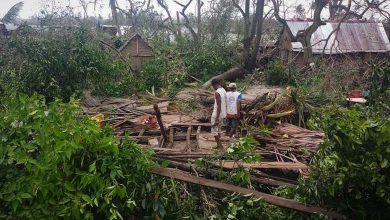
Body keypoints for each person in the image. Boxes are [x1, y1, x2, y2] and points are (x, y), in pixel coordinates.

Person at [211, 78, 227, 149]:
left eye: (212, 86)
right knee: (219, 130)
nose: (213, 88)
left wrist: (217, 118)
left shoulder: (217, 92)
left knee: (214, 131)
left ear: (214, 85)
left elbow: (219, 105)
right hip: (223, 113)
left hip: (217, 113)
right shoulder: (223, 90)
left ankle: (221, 147)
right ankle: (218, 146)